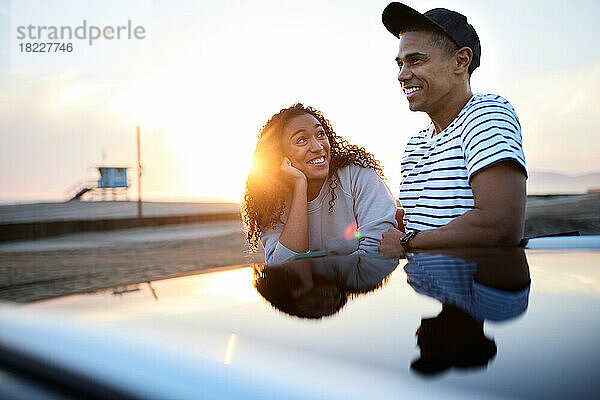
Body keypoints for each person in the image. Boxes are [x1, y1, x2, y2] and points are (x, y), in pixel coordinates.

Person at [378, 3, 528, 254]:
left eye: (415, 60)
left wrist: (407, 242)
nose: (402, 75)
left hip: (474, 292)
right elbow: (429, 227)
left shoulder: (486, 113)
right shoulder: (414, 146)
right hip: (430, 293)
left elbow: (501, 225)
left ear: (461, 61)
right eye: (400, 64)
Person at [241, 104, 397, 265]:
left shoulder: (357, 174)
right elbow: (281, 267)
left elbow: (378, 250)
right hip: (313, 288)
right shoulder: (270, 198)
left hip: (365, 288)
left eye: (320, 134)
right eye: (301, 140)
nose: (318, 147)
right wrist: (300, 185)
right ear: (280, 156)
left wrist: (324, 277)